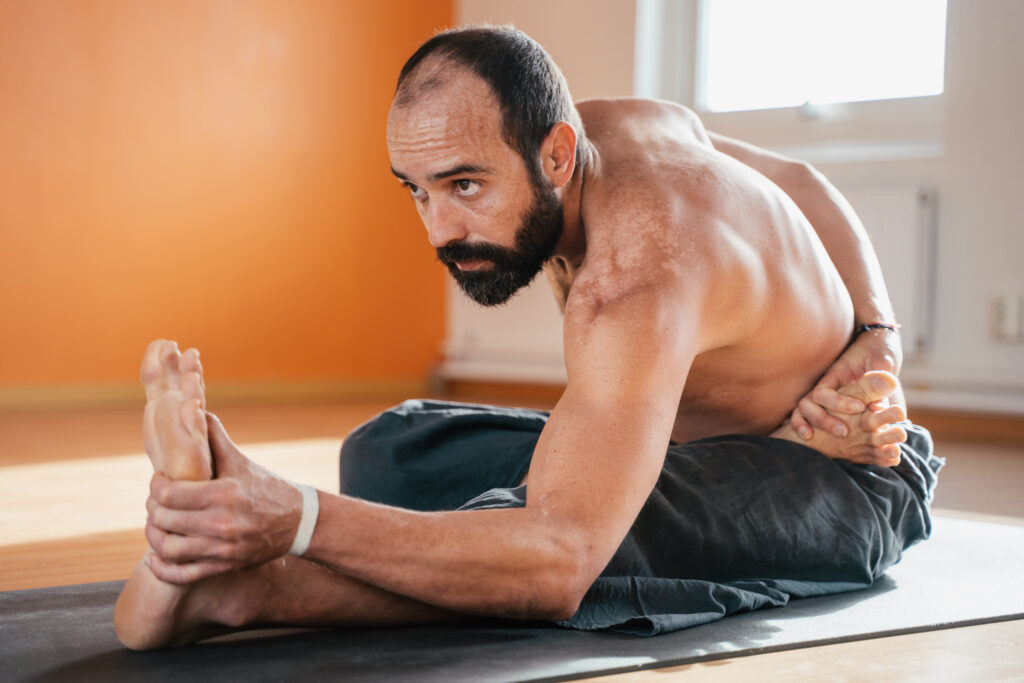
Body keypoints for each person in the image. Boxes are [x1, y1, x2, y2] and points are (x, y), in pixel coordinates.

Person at [113, 26, 941, 649]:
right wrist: (878, 334)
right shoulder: (614, 129)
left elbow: (560, 560)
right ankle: (447, 534)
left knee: (571, 542)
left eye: (466, 185)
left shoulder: (632, 281)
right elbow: (801, 178)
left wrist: (295, 519)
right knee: (392, 449)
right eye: (419, 192)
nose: (440, 230)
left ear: (554, 152)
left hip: (837, 481)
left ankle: (252, 590)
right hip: (683, 447)